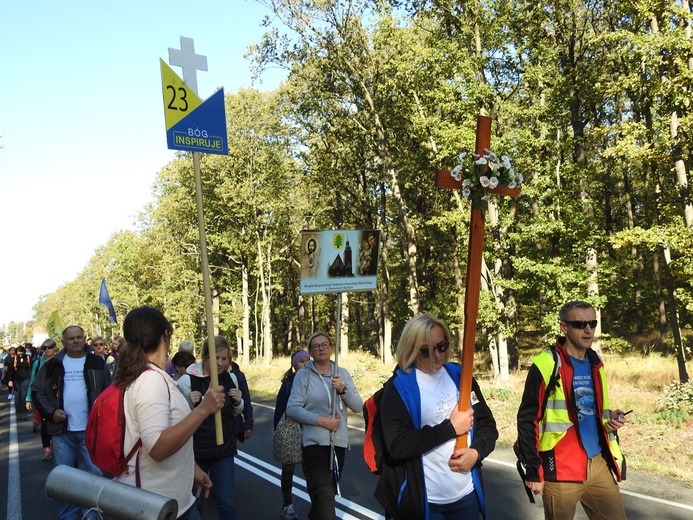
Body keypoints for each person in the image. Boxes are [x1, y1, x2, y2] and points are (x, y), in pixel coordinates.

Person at [374, 314, 498, 520]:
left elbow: (487, 425)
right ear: (410, 349)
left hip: (466, 495)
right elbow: (398, 445)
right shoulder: (398, 388)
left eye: (442, 346)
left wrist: (476, 453)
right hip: (423, 504)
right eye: (426, 351)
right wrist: (450, 428)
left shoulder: (460, 376)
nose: (438, 355)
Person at [516, 300, 627, 520]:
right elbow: (527, 419)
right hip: (561, 467)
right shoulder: (547, 363)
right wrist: (532, 469)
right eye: (580, 324)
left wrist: (611, 418)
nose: (588, 329)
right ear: (564, 327)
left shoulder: (595, 361)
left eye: (592, 323)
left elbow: (591, 410)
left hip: (598, 462)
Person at [115, 306, 225, 520]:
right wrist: (204, 409)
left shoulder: (148, 376)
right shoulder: (150, 381)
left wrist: (192, 470)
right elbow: (157, 447)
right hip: (155, 505)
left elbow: (161, 432)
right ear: (166, 335)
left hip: (172, 501)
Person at [31, 325, 111, 520]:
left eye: (79, 337)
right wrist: (50, 413)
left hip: (90, 431)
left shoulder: (97, 363)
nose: (76, 341)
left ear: (85, 339)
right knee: (65, 482)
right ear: (64, 342)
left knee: (93, 479)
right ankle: (67, 517)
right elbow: (37, 391)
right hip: (61, 432)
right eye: (71, 338)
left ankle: (90, 516)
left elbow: (109, 393)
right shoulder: (52, 364)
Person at [287, 332, 363, 520]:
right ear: (310, 352)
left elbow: (358, 406)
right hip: (313, 442)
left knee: (324, 493)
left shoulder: (341, 373)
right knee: (326, 495)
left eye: (324, 344)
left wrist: (342, 390)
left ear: (331, 347)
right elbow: (292, 409)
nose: (321, 348)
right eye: (316, 346)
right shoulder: (303, 376)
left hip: (338, 442)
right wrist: (322, 421)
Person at [177, 336, 244, 520]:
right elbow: (178, 421)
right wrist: (191, 405)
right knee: (195, 504)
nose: (221, 363)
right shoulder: (186, 382)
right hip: (196, 453)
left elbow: (236, 413)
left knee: (227, 503)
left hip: (223, 450)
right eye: (216, 358)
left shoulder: (230, 378)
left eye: (225, 358)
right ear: (205, 357)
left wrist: (239, 402)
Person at [274, 349, 310, 520]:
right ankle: (287, 505)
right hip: (290, 432)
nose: (306, 364)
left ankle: (318, 506)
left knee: (311, 470)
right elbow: (279, 411)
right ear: (294, 365)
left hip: (310, 431)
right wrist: (277, 433)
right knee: (288, 469)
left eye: (308, 360)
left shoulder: (314, 381)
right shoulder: (287, 385)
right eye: (302, 361)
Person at [26, 338, 59, 458]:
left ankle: (55, 445)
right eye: (44, 347)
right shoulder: (38, 363)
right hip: (42, 397)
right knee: (44, 423)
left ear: (55, 347)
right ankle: (47, 448)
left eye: (49, 347)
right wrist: (29, 398)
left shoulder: (60, 361)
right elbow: (33, 381)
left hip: (57, 397)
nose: (47, 349)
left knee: (57, 422)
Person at [230, 359, 254, 442]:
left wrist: (248, 424)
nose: (220, 363)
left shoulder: (237, 375)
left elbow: (246, 399)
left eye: (224, 358)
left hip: (233, 426)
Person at [7, 344, 32, 420]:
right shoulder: (14, 359)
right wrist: (10, 380)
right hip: (16, 380)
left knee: (23, 396)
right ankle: (18, 413)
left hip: (25, 379)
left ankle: (23, 412)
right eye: (19, 354)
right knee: (17, 397)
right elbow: (10, 370)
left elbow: (30, 368)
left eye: (22, 354)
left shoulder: (28, 358)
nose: (20, 355)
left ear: (24, 352)